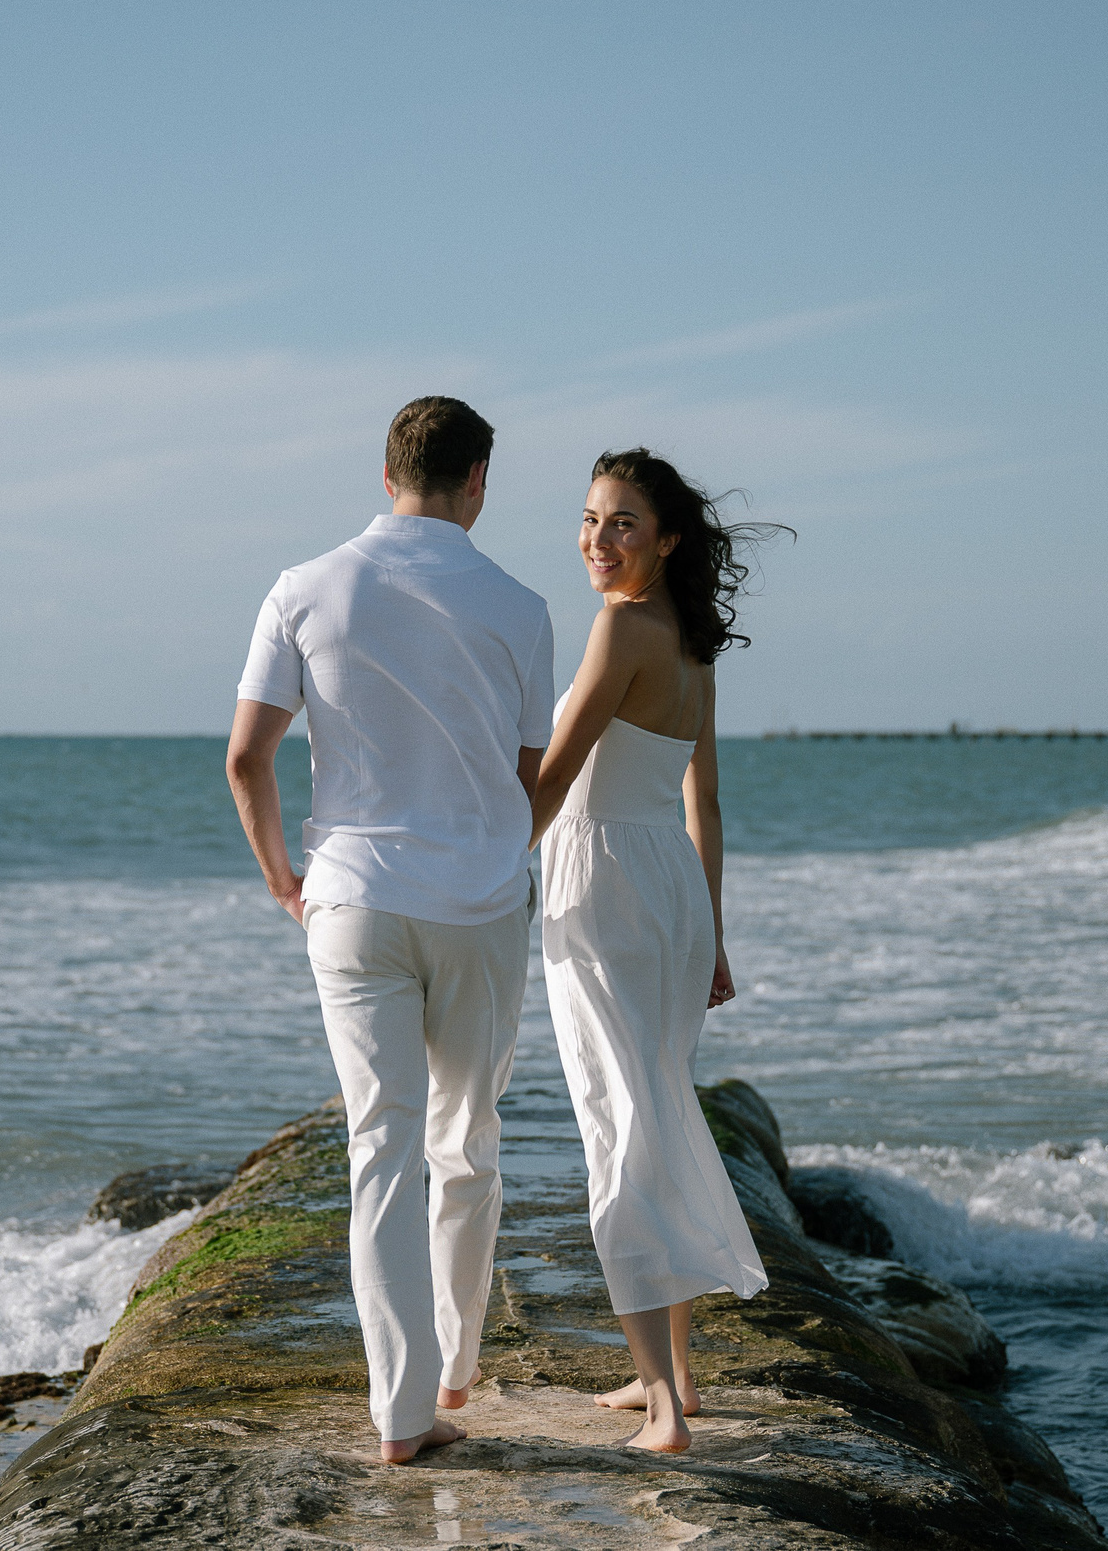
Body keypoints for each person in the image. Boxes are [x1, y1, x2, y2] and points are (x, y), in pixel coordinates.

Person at [225, 397, 555, 1465]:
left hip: (352, 896)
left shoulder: (302, 587)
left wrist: (285, 876)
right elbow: (530, 770)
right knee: (468, 1141)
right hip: (479, 903)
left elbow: (246, 757)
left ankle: (401, 1417)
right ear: (477, 483)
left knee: (382, 1152)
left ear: (385, 477)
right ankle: (458, 1368)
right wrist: (498, 850)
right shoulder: (520, 604)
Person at [527, 447, 785, 1454]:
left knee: (617, 1126)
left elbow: (554, 777)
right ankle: (669, 1378)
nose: (597, 539)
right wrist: (712, 930)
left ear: (666, 540)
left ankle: (667, 1410)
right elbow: (702, 800)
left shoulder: (620, 627)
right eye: (590, 519)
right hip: (669, 890)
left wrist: (486, 869)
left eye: (622, 522)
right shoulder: (688, 639)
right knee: (654, 1110)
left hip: (603, 888)